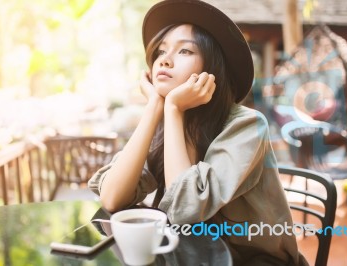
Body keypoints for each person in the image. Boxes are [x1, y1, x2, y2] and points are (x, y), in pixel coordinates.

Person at [89, 1, 308, 265]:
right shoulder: (168, 120)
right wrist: (155, 106)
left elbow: (187, 208)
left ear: (211, 68)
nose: (164, 60)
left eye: (184, 50)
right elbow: (112, 198)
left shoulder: (248, 126)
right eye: (160, 50)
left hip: (251, 260)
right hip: (187, 253)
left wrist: (172, 108)